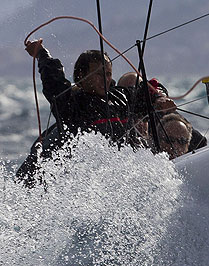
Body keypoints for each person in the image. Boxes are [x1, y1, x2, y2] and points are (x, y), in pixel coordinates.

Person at [17, 39, 175, 184]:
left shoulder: (121, 96)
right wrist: (41, 53)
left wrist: (159, 98)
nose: (105, 79)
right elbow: (54, 80)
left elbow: (148, 90)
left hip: (126, 175)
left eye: (108, 74)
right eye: (99, 74)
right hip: (88, 180)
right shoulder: (70, 103)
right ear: (81, 75)